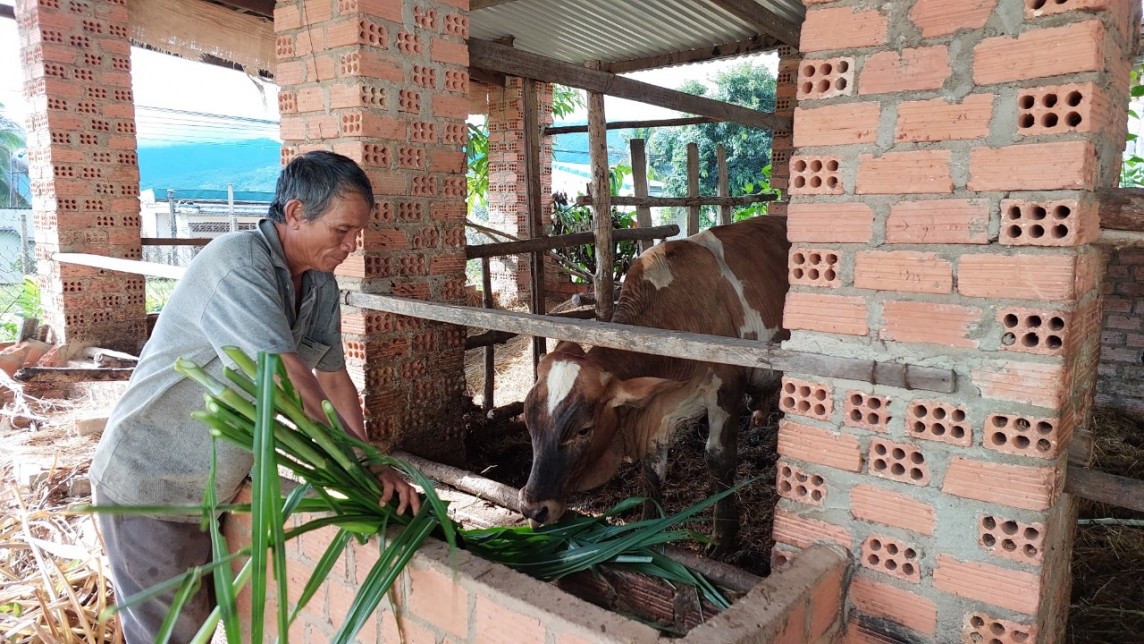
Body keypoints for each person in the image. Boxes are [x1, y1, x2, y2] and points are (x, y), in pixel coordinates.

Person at [90, 150, 420, 643]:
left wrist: (366, 458)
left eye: (358, 233)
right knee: (172, 636)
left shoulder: (320, 285)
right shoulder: (238, 265)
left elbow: (332, 378)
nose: (352, 245)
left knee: (204, 626)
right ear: (293, 214)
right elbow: (285, 374)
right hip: (152, 484)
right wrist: (363, 460)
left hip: (211, 487)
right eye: (341, 230)